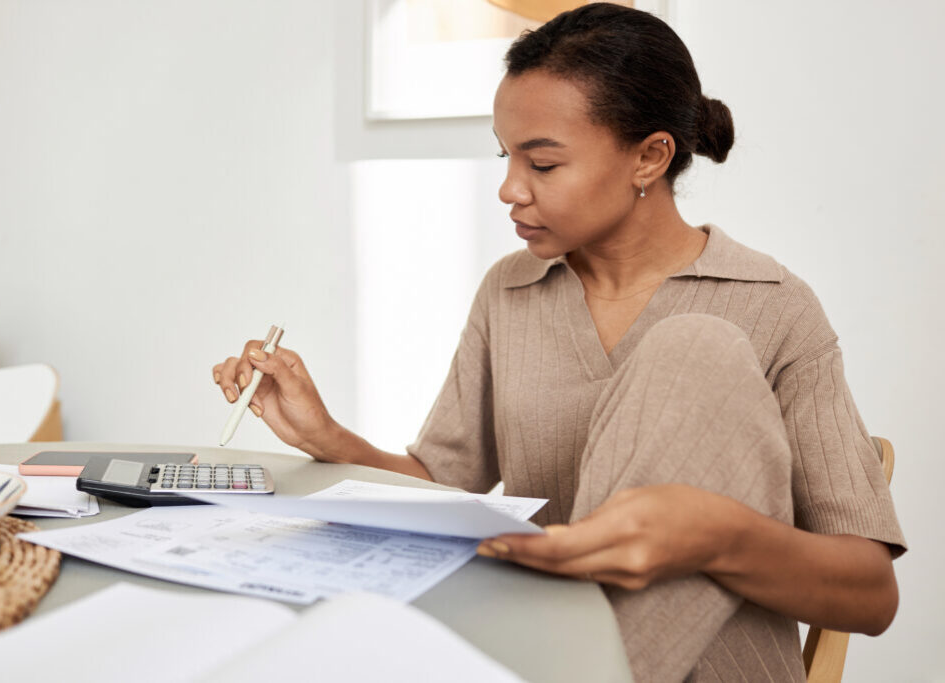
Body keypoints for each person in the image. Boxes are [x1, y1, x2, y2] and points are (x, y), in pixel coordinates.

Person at [213, 4, 905, 680]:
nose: (509, 189)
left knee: (695, 348)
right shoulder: (511, 291)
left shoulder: (775, 307)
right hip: (525, 651)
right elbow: (448, 491)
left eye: (542, 165)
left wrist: (717, 534)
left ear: (650, 156)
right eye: (506, 157)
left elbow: (870, 594)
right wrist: (327, 435)